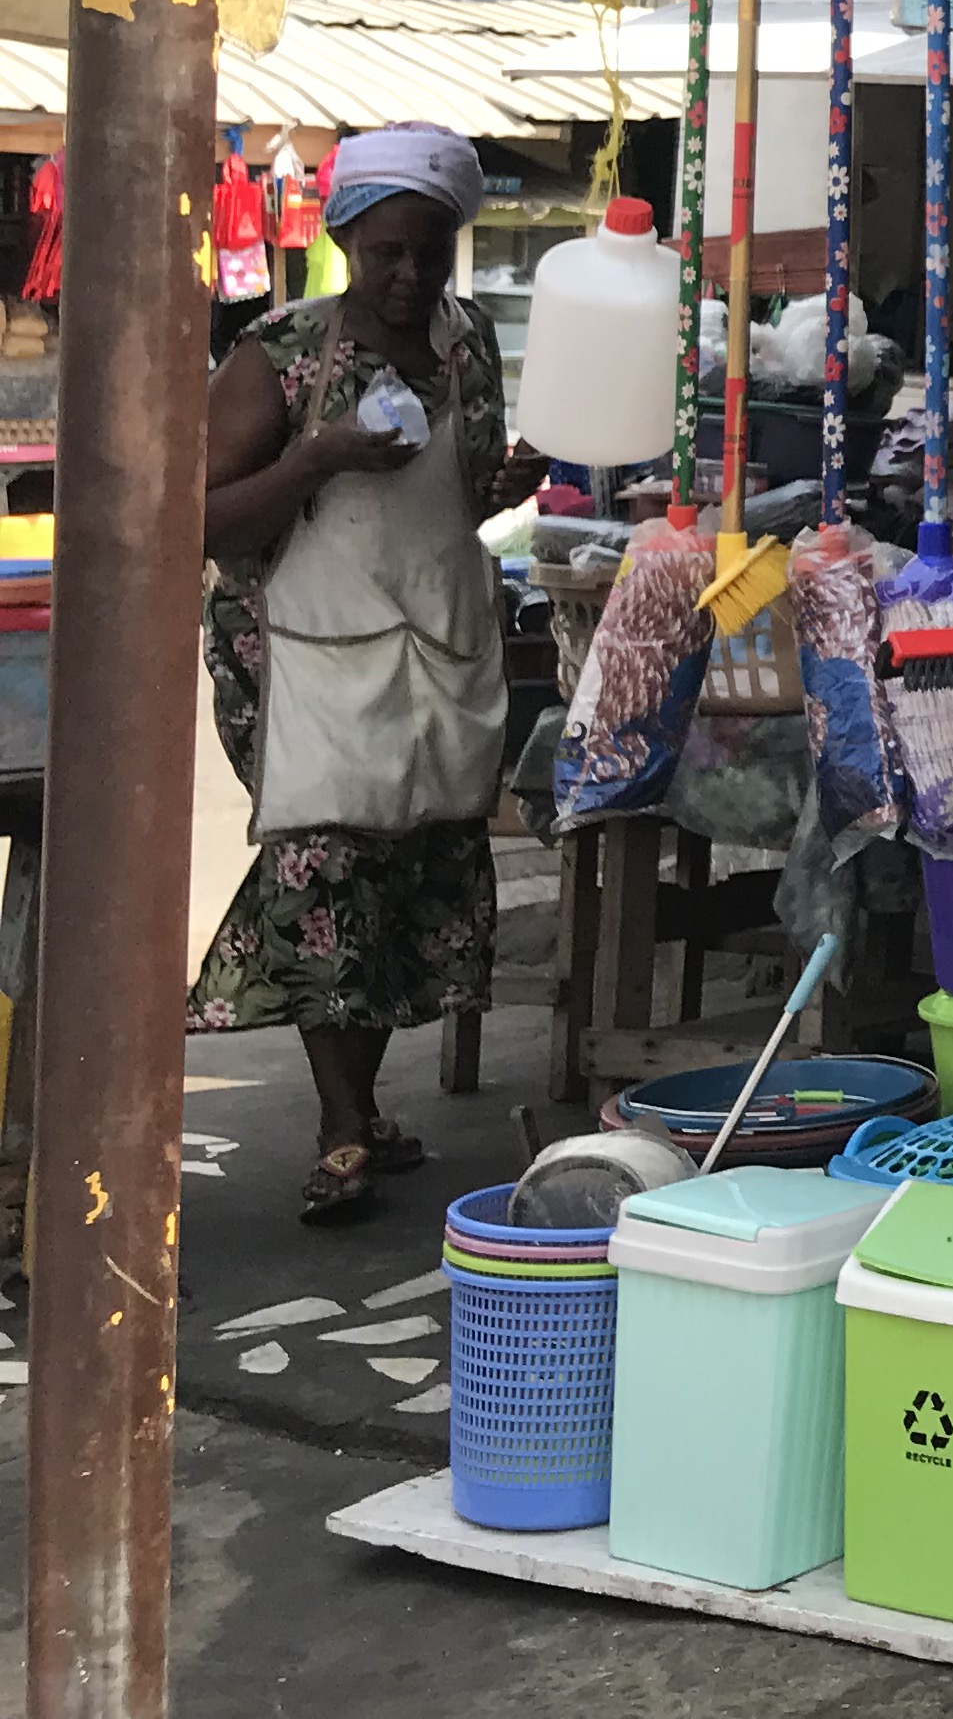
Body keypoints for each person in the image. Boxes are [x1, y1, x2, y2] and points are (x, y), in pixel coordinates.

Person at [190, 124, 541, 1221]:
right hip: (308, 662)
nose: (408, 274)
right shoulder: (281, 356)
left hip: (436, 647)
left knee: (409, 880)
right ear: (342, 237)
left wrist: (510, 476)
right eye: (387, 250)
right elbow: (200, 520)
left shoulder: (468, 340)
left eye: (430, 252)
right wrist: (316, 457)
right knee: (325, 876)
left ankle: (365, 1104)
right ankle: (342, 1129)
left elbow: (466, 493)